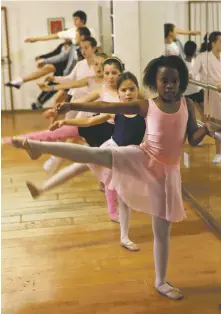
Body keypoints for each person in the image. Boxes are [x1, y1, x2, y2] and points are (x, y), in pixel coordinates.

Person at [11, 55, 220, 300]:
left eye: (174, 81)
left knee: (161, 231)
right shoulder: (145, 105)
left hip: (168, 174)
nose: (170, 86)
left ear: (181, 82)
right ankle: (37, 146)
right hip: (142, 157)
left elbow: (193, 140)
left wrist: (205, 129)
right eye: (165, 81)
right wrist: (72, 106)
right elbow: (108, 108)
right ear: (156, 81)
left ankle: (160, 281)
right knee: (96, 154)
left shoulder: (187, 105)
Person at [26, 72, 145, 252]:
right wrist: (65, 121)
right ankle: (41, 183)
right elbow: (90, 120)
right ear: (119, 94)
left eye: (131, 89)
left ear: (137, 90)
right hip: (109, 149)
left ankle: (124, 237)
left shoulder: (144, 112)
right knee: (78, 165)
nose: (128, 93)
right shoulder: (116, 111)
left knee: (123, 197)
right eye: (124, 90)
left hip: (126, 158)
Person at [191, 31, 221, 163]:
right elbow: (193, 73)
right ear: (213, 42)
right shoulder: (203, 57)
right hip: (213, 93)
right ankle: (219, 152)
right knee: (216, 123)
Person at [24, 10, 101, 49]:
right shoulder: (71, 31)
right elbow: (53, 36)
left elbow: (98, 47)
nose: (74, 21)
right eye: (73, 19)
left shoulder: (92, 31)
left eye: (76, 19)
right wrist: (35, 39)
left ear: (83, 20)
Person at [183, 40, 204, 120]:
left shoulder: (195, 61)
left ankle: (206, 128)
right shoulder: (182, 63)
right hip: (188, 93)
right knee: (190, 114)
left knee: (204, 112)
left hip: (197, 90)